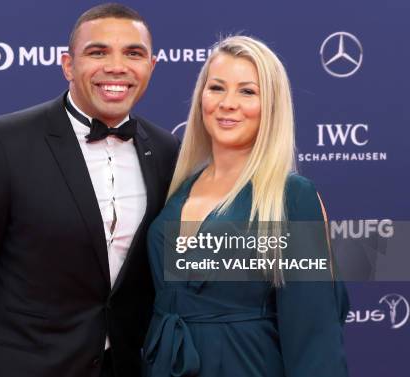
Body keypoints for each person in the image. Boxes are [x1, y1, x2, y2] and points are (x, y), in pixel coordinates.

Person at [0, 4, 180, 377]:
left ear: (151, 67)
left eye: (133, 53)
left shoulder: (167, 151)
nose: (117, 66)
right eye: (98, 52)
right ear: (67, 65)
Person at [142, 36, 350, 377]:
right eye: (217, 88)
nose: (227, 103)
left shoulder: (292, 198)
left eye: (247, 92)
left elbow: (315, 336)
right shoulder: (179, 188)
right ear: (201, 97)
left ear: (271, 106)